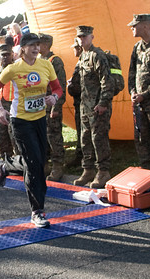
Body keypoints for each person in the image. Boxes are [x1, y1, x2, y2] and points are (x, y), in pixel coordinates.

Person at [0, 33, 62, 228]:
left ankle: (6, 165)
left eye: (38, 45)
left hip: (39, 119)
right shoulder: (14, 69)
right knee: (34, 165)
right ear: (22, 48)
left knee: (39, 160)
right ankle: (37, 211)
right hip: (20, 121)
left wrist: (54, 98)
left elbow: (57, 88)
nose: (36, 49)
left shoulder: (46, 65)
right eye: (32, 46)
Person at [73, 26, 114, 188]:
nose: (81, 39)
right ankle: (88, 169)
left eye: (84, 36)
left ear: (92, 37)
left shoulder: (98, 56)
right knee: (85, 139)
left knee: (99, 139)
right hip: (85, 106)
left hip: (98, 106)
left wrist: (103, 103)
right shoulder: (83, 56)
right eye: (79, 37)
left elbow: (107, 81)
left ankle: (103, 171)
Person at [128, 14, 150, 171]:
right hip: (139, 104)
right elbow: (132, 73)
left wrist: (144, 94)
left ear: (145, 26)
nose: (131, 28)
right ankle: (147, 175)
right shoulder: (137, 47)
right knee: (142, 140)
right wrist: (133, 92)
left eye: (135, 25)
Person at [38, 33, 66, 181]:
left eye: (39, 44)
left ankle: (57, 165)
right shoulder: (38, 60)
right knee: (42, 136)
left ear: (46, 45)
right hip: (39, 106)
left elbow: (60, 86)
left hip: (52, 105)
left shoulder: (55, 61)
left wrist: (57, 107)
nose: (37, 46)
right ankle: (45, 164)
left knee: (53, 136)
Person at [0, 43, 19, 159]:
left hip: (13, 105)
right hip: (0, 104)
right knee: (2, 135)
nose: (5, 57)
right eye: (3, 55)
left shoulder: (17, 67)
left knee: (14, 135)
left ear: (12, 54)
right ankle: (5, 159)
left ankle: (19, 161)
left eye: (8, 55)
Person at [67, 38, 83, 168]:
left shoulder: (84, 62)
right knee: (81, 131)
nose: (73, 50)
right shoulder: (81, 62)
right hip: (81, 103)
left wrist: (70, 86)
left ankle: (83, 158)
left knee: (84, 132)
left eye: (74, 47)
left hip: (85, 103)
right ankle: (81, 156)